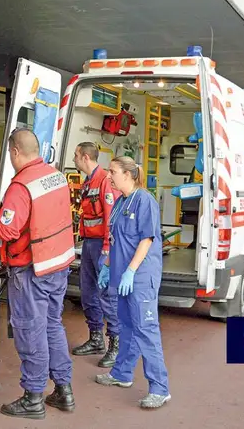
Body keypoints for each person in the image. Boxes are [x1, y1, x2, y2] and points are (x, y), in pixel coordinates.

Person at [0, 129, 76, 419]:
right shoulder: (55, 176)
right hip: (58, 264)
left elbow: (8, 229)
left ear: (15, 152)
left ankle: (33, 398)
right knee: (52, 326)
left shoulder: (21, 185)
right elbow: (41, 213)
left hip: (31, 268)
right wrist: (3, 209)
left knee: (30, 330)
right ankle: (63, 390)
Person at [95, 156, 171, 410]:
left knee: (146, 330)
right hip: (122, 277)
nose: (109, 175)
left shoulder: (145, 201)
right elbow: (116, 239)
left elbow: (146, 239)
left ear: (127, 175)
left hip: (140, 278)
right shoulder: (120, 202)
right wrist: (107, 267)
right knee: (126, 326)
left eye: (113, 171)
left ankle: (160, 389)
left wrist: (130, 271)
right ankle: (122, 374)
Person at [70, 142, 121, 368]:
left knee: (107, 295)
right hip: (89, 244)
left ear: (85, 157)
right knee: (88, 292)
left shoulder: (104, 182)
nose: (74, 159)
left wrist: (108, 250)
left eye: (76, 155)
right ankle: (96, 338)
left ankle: (115, 345)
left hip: (103, 246)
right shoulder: (88, 182)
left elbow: (110, 217)